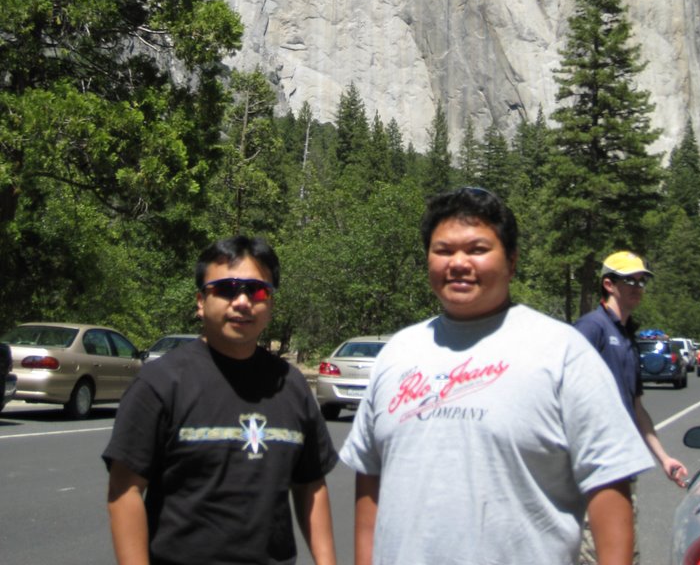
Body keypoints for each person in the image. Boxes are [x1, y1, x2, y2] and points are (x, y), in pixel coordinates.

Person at [340, 187, 654, 565]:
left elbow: (609, 483)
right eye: (443, 250)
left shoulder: (563, 352)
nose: (458, 263)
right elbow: (369, 479)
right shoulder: (397, 354)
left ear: (512, 261)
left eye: (476, 249)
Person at [103, 235, 338, 565]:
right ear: (201, 301)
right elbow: (124, 491)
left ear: (269, 303)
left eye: (257, 291)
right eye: (226, 288)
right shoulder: (160, 383)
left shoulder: (292, 385)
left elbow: (310, 485)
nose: (242, 301)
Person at [574, 250, 689, 565]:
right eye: (631, 280)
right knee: (597, 555)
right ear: (609, 285)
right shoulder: (591, 328)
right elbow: (561, 392)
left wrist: (664, 458)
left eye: (642, 280)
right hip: (594, 468)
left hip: (623, 468)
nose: (639, 286)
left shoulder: (627, 336)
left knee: (625, 555)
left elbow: (635, 407)